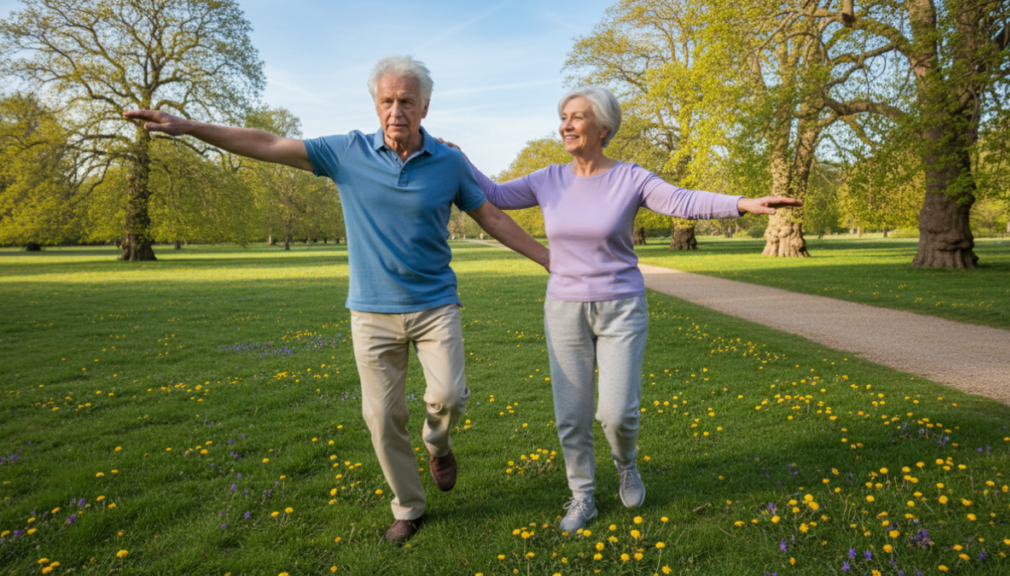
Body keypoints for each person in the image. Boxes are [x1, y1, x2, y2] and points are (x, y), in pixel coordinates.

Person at [124, 56, 549, 543]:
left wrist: (547, 258)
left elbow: (490, 217)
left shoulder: (449, 162)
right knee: (381, 418)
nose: (396, 111)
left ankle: (437, 441)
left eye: (406, 101)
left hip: (435, 305)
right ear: (375, 105)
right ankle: (408, 507)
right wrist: (190, 127)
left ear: (425, 107)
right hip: (371, 312)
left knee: (449, 395)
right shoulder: (347, 152)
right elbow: (267, 143)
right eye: (387, 101)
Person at [442, 86, 801, 533]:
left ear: (603, 128)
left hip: (621, 308)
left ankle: (625, 463)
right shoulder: (547, 179)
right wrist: (460, 159)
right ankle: (582, 496)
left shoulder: (631, 178)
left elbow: (682, 200)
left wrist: (743, 204)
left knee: (617, 414)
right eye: (563, 117)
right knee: (571, 415)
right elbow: (493, 193)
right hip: (564, 309)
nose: (565, 125)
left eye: (576, 117)